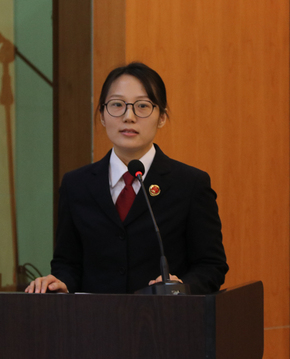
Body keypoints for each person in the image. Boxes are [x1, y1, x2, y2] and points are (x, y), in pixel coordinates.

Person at [25, 62, 228, 295]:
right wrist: (60, 283)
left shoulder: (189, 184)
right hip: (94, 317)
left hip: (163, 316)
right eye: (117, 105)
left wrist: (181, 288)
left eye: (142, 106)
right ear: (102, 115)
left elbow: (211, 266)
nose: (128, 117)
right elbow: (68, 263)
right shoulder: (76, 185)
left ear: (162, 117)